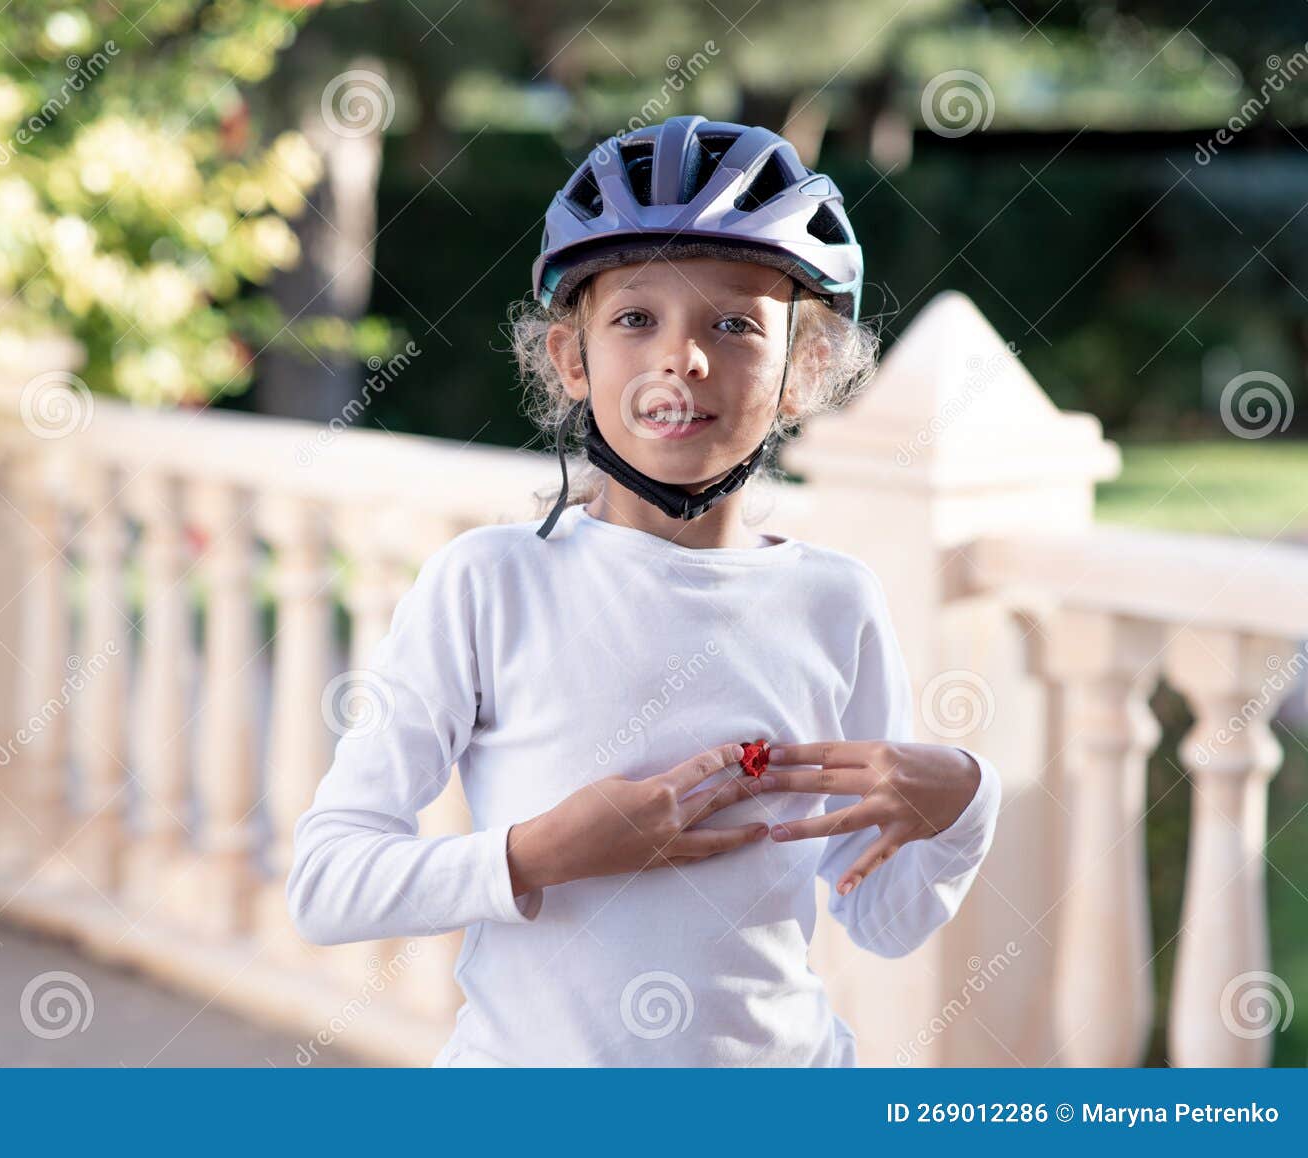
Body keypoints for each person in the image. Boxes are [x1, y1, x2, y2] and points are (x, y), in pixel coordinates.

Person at [286, 114, 1001, 1066]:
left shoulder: (838, 602)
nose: (683, 358)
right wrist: (541, 852)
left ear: (805, 369)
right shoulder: (491, 583)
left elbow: (881, 916)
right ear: (572, 361)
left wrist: (964, 801)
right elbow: (329, 883)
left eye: (735, 323)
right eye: (635, 318)